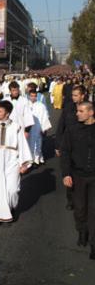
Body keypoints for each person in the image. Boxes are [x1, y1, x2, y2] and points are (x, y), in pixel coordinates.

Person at [61, 102, 95, 260]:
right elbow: (66, 153)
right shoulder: (72, 130)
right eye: (77, 111)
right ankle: (82, 231)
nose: (77, 114)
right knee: (80, 208)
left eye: (81, 111)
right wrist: (66, 174)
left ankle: (94, 243)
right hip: (78, 175)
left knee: (93, 210)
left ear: (91, 113)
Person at [56, 84, 87, 211]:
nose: (73, 98)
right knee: (68, 171)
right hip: (68, 145)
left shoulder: (89, 108)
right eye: (72, 95)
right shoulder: (68, 108)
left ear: (82, 96)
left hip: (84, 145)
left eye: (76, 95)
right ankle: (70, 198)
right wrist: (58, 145)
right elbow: (60, 126)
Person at [27, 89, 52, 165]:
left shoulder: (41, 106)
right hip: (29, 128)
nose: (33, 98)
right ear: (29, 96)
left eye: (35, 96)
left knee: (37, 143)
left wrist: (44, 128)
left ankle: (37, 159)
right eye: (31, 96)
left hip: (38, 127)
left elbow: (44, 117)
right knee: (28, 143)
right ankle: (29, 160)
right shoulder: (26, 105)